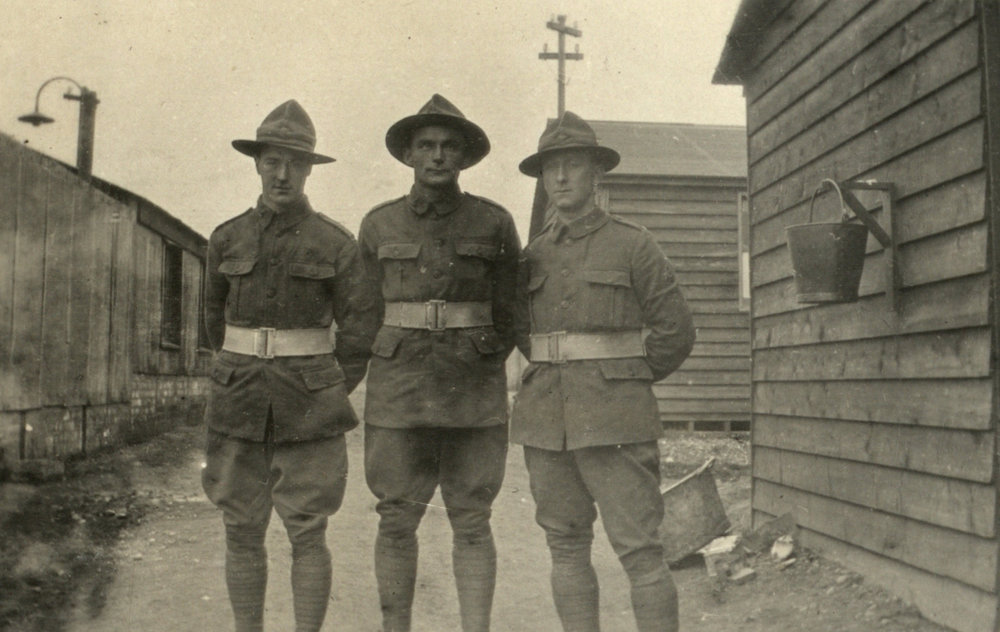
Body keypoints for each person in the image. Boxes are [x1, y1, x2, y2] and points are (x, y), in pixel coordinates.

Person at [511, 111, 696, 632]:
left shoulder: (634, 244)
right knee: (566, 546)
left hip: (617, 422)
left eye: (573, 165)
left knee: (640, 551)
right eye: (552, 169)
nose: (562, 178)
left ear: (597, 175)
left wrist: (625, 381)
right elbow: (523, 333)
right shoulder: (532, 255)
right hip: (547, 423)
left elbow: (675, 332)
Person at [201, 100, 377, 632]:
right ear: (257, 164)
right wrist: (236, 366)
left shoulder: (336, 243)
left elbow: (360, 330)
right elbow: (212, 317)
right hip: (238, 401)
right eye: (273, 161)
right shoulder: (226, 238)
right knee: (241, 529)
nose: (283, 174)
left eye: (295, 163)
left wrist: (328, 386)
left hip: (310, 408)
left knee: (307, 531)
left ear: (308, 170)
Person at [358, 94, 521, 632]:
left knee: (472, 520)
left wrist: (482, 352)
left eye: (450, 146)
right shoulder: (378, 224)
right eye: (425, 145)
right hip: (398, 393)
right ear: (408, 153)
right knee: (396, 519)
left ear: (465, 157)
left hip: (472, 395)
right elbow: (361, 312)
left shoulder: (494, 222)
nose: (437, 156)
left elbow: (512, 311)